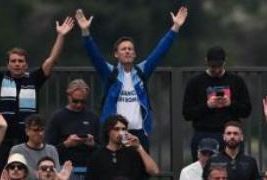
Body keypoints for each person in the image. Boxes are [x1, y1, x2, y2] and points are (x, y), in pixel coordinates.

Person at [75, 6, 188, 148]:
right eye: (123, 49)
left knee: (142, 170)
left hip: (139, 134)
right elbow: (94, 56)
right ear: (116, 54)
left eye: (130, 49)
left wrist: (175, 27)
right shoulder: (110, 73)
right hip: (114, 134)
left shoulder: (141, 72)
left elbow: (159, 52)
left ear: (134, 54)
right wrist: (85, 32)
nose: (127, 51)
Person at [0, 14, 73, 168]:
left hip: (28, 139)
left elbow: (52, 60)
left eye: (20, 61)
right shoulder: (1, 80)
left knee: (29, 172)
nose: (17, 64)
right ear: (8, 64)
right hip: (4, 139)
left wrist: (61, 35)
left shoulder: (34, 79)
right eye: (13, 61)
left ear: (26, 64)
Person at [181, 46, 251, 159]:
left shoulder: (236, 81)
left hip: (229, 133)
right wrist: (207, 105)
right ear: (206, 62)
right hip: (203, 132)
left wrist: (230, 104)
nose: (217, 70)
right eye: (213, 67)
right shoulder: (195, 82)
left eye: (219, 66)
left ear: (225, 62)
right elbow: (187, 113)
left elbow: (246, 110)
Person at [82, 114, 160, 180]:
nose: (121, 132)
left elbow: (154, 171)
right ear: (108, 131)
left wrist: (139, 147)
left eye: (124, 129)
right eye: (116, 129)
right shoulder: (97, 156)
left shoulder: (134, 153)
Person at [45, 79, 100, 180]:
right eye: (75, 101)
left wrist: (92, 144)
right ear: (68, 96)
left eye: (83, 101)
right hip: (65, 171)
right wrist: (66, 144)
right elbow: (48, 149)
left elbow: (102, 148)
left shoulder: (93, 117)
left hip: (89, 170)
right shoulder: (58, 117)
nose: (79, 104)